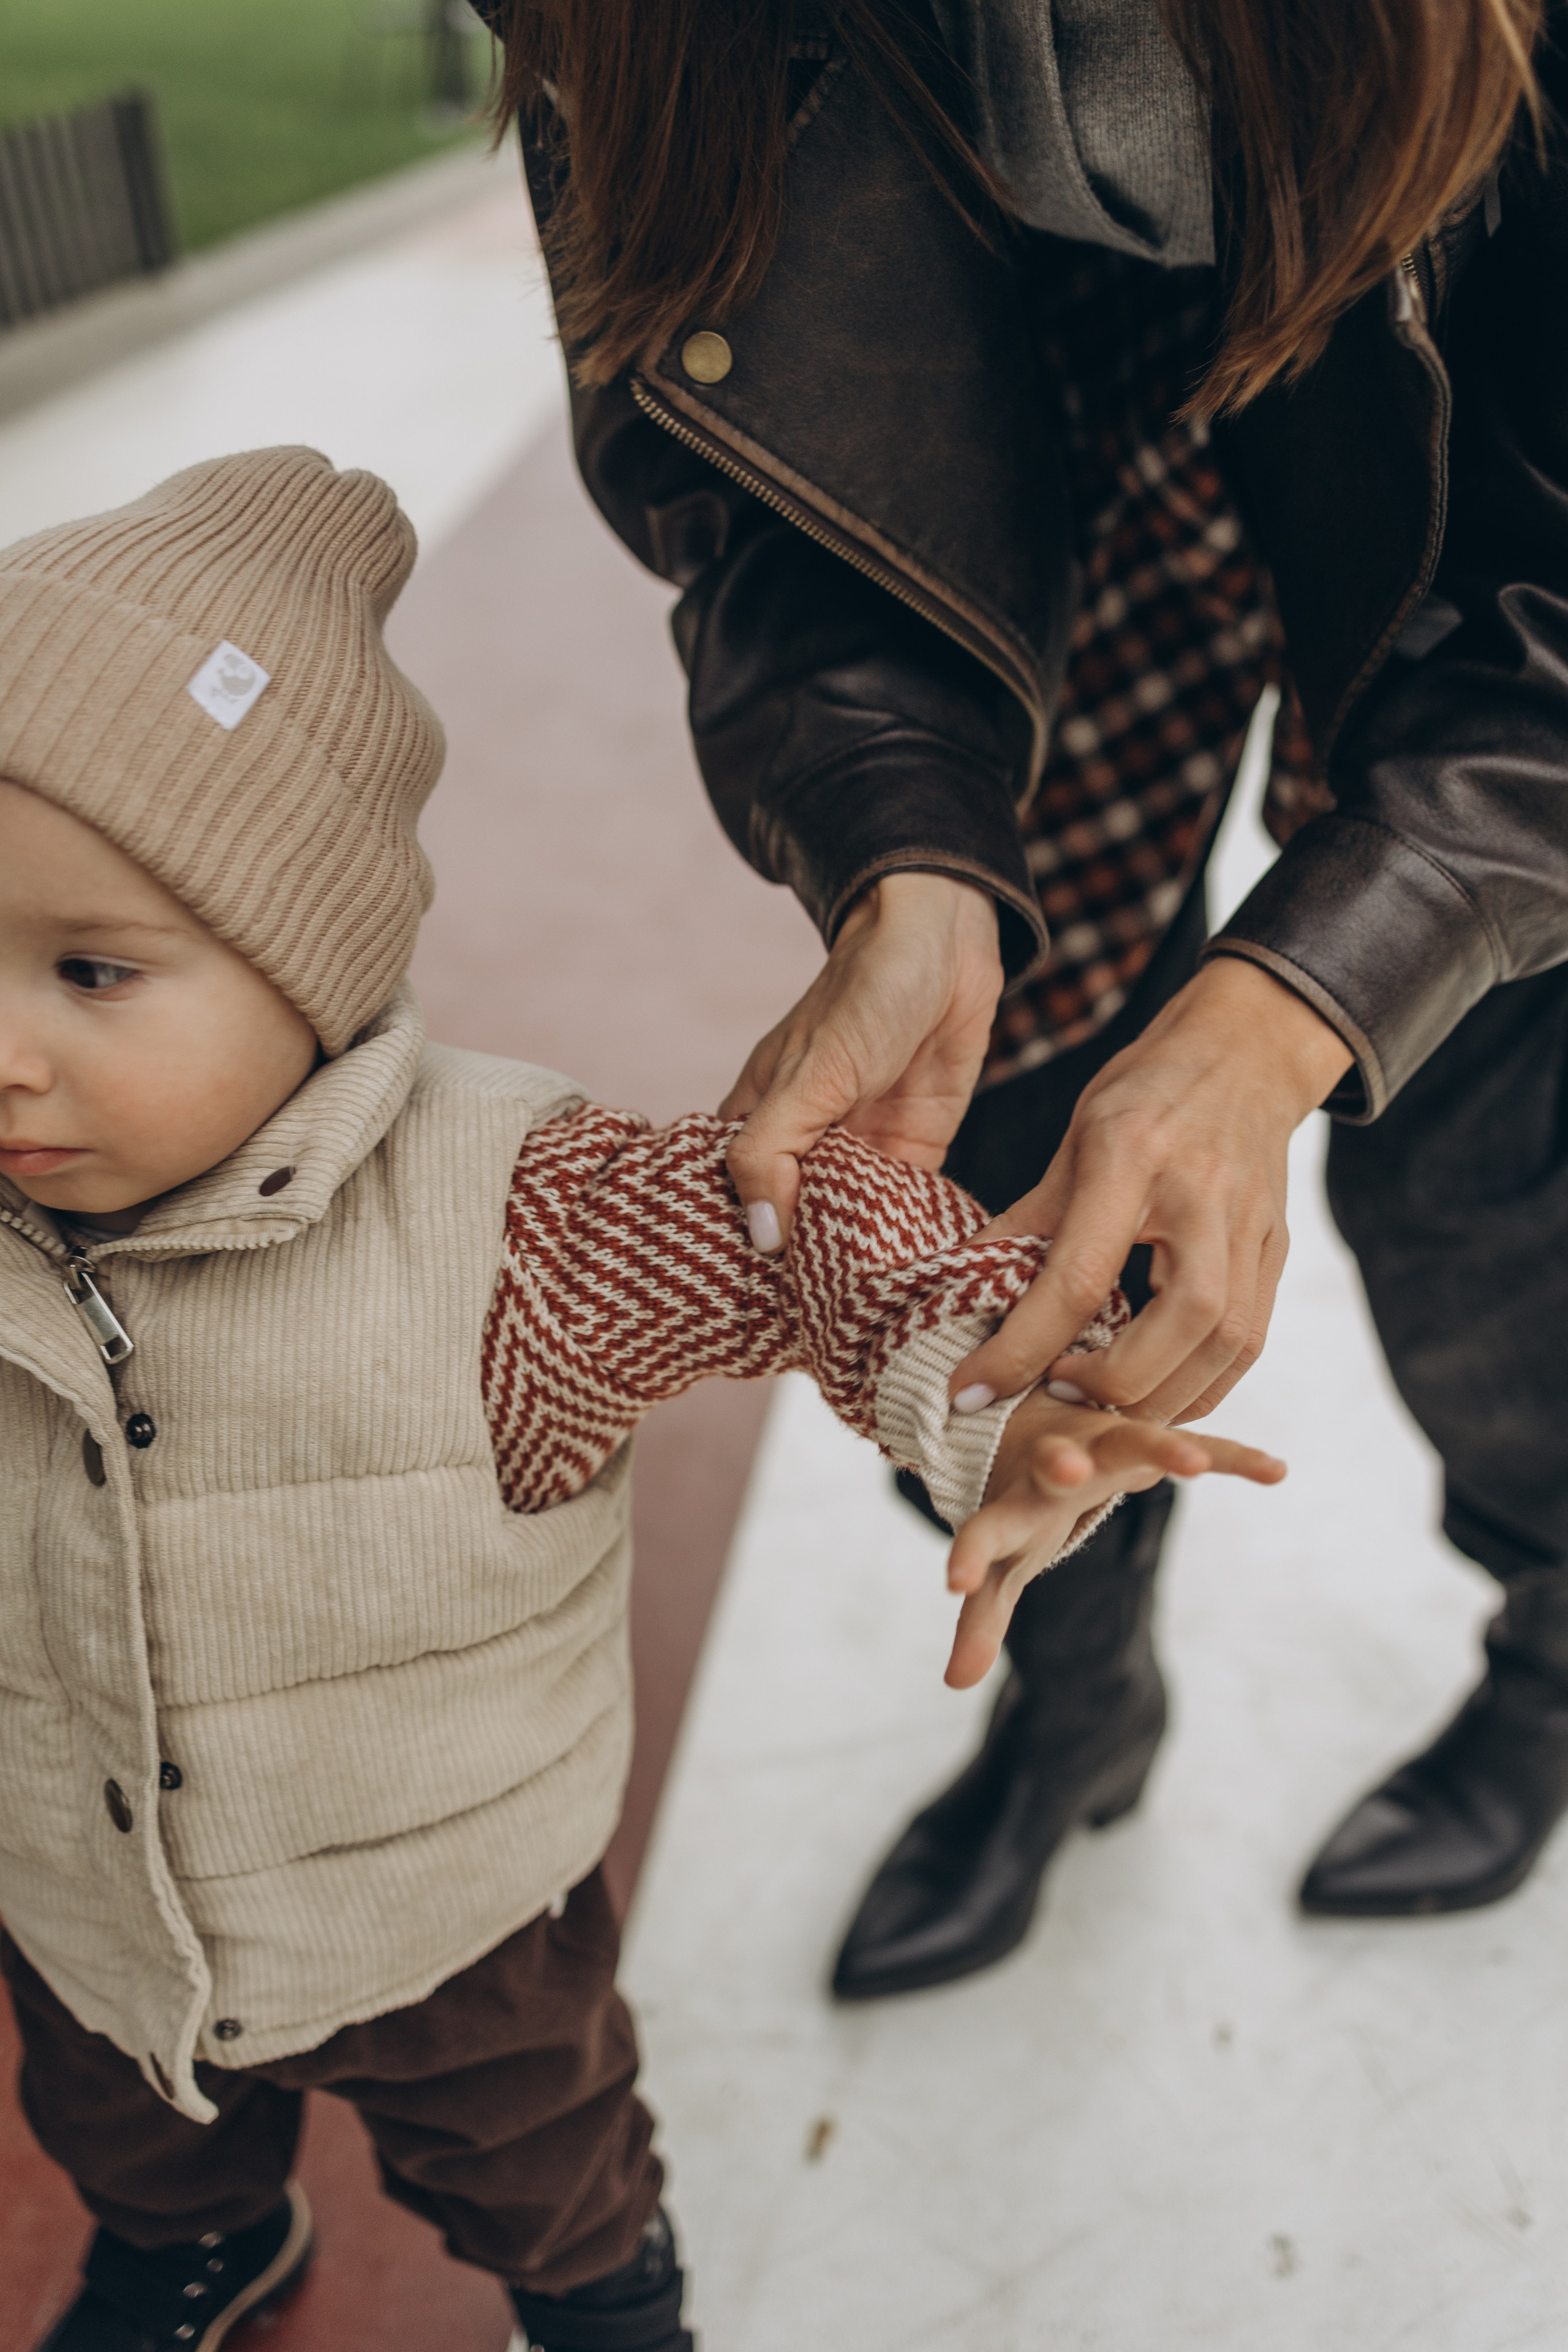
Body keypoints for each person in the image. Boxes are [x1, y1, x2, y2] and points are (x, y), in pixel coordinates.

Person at [0, 450, 1281, 2352]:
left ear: (307, 963)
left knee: (540, 2156)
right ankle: (200, 2242)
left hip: (444, 1915)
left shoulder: (514, 1223)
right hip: (86, 1893)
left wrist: (1002, 1391)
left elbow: (796, 1229)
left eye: (93, 970)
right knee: (128, 2119)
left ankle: (611, 2304)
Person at [480, 0, 1568, 1992]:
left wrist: (1290, 1003)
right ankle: (1073, 1713)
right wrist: (904, 844)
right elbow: (741, 464)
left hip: (1469, 451)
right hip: (1004, 463)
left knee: (1493, 1187)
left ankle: (1556, 1658)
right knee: (993, 1184)